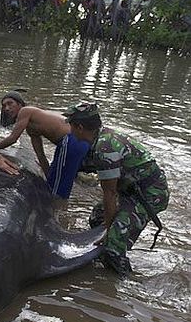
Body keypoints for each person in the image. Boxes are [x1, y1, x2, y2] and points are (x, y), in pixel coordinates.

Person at [67, 102, 169, 277]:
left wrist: (109, 229)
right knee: (97, 216)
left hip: (150, 195)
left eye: (71, 125)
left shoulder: (105, 148)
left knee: (114, 244)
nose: (69, 130)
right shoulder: (101, 138)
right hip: (132, 191)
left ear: (80, 127)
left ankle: (125, 284)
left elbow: (110, 193)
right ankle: (105, 259)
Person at [0, 91, 90, 201]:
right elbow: (40, 155)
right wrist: (48, 177)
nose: (6, 108)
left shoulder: (26, 111)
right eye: (4, 106)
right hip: (74, 141)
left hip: (71, 141)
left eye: (10, 103)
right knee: (54, 181)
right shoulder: (32, 128)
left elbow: (13, 138)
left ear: (20, 104)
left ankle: (61, 210)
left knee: (58, 191)